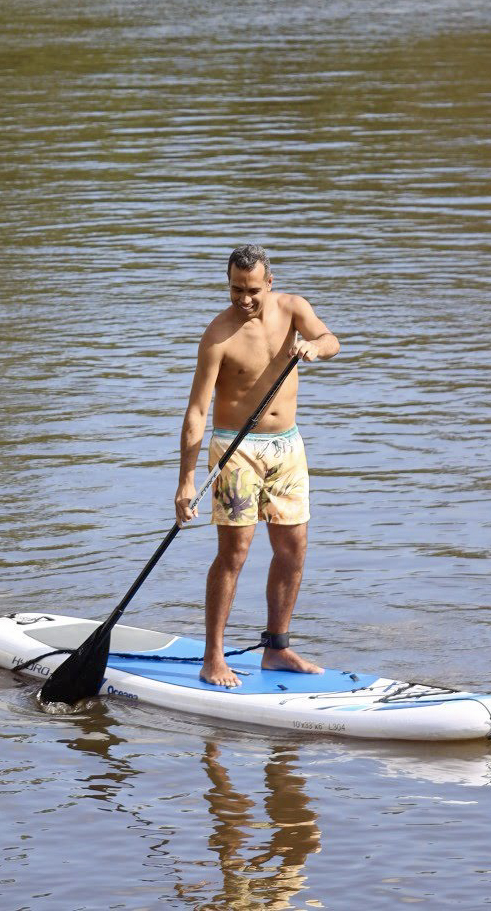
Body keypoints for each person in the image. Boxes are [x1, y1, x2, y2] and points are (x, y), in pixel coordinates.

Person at [175, 244, 340, 687]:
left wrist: (313, 348)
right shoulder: (218, 336)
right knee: (235, 553)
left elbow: (332, 340)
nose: (244, 300)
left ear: (270, 283)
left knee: (293, 550)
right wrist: (185, 481)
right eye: (235, 290)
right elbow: (195, 413)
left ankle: (277, 649)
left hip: (287, 448)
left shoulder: (293, 309)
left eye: (252, 291)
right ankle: (213, 658)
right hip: (236, 450)